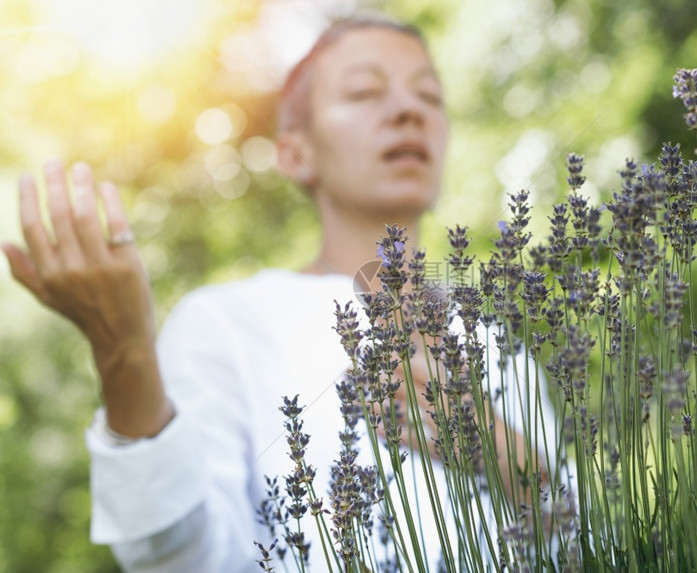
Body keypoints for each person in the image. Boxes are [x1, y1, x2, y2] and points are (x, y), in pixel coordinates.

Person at [2, 15, 555, 572]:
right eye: (364, 92)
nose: (408, 110)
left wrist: (500, 450)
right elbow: (178, 560)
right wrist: (124, 353)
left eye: (429, 96)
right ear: (294, 154)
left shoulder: (494, 340)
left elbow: (579, 546)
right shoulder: (227, 323)